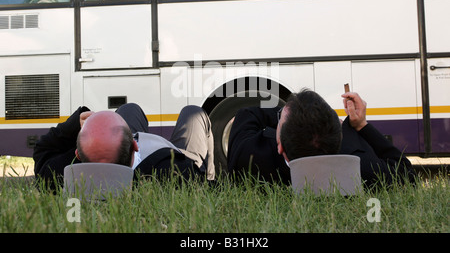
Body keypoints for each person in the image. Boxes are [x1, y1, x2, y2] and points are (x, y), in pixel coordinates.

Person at [228, 88, 416, 188]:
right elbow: (406, 174)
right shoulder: (362, 169)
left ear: (280, 147)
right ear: (339, 136)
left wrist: (288, 114)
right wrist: (361, 126)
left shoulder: (250, 158)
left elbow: (247, 114)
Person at [34, 103, 215, 190]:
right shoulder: (176, 172)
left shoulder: (66, 177)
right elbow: (205, 186)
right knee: (193, 112)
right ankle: (211, 172)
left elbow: (43, 151)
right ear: (135, 145)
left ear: (78, 156)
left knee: (129, 109)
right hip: (173, 154)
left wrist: (73, 124)